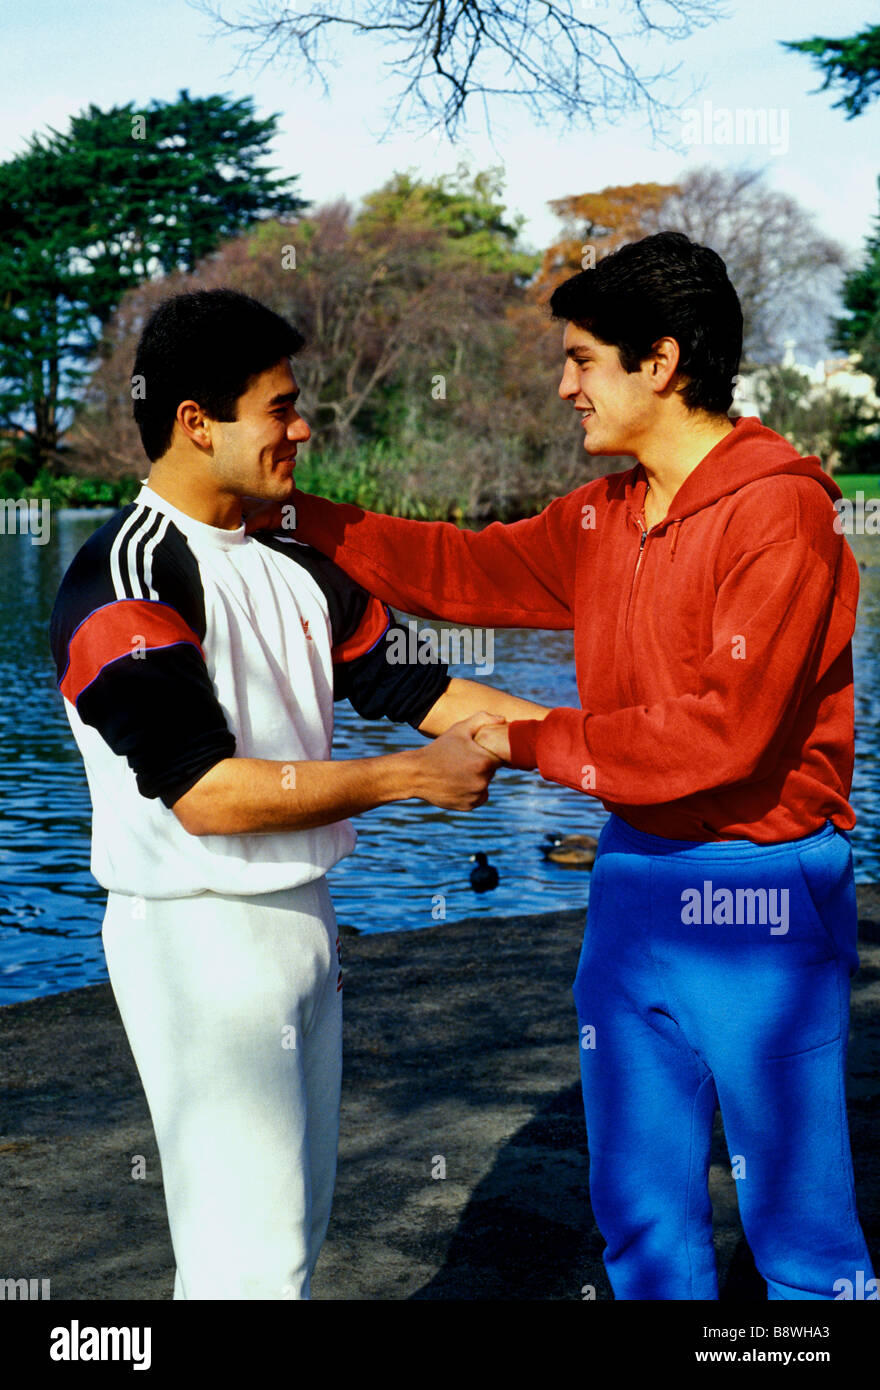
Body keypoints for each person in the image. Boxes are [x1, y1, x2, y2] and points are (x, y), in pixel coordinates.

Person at [246, 232, 877, 1300]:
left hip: (760, 895)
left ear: (660, 363)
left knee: (803, 1240)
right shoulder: (605, 513)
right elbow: (462, 565)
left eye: (584, 359)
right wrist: (295, 515)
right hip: (633, 879)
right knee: (639, 1222)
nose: (565, 384)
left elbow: (720, 734)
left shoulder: (782, 513)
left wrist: (533, 736)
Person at [49, 288, 550, 1301]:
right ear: (196, 422)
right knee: (249, 1263)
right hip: (198, 935)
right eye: (278, 407)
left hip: (303, 917)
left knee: (290, 1241)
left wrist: (614, 752)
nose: (302, 426)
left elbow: (425, 688)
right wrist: (411, 776)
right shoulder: (124, 575)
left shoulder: (290, 555)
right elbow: (203, 792)